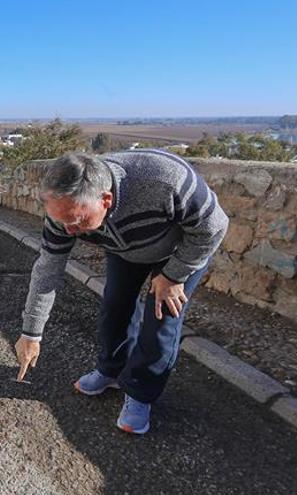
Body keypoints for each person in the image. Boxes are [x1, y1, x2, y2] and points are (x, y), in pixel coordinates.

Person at [14, 150, 228, 434]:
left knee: (161, 320)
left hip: (179, 251)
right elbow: (48, 269)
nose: (69, 230)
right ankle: (111, 370)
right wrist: (31, 334)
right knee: (115, 306)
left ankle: (140, 393)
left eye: (77, 221)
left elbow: (213, 228)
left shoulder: (165, 180)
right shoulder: (64, 214)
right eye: (62, 221)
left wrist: (173, 275)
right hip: (124, 249)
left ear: (106, 199)